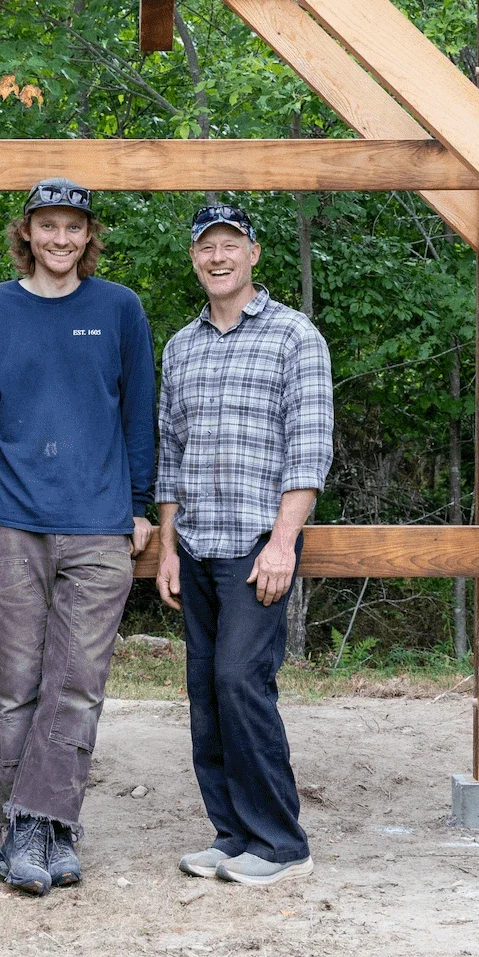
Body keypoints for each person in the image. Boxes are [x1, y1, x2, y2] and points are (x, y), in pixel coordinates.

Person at [0, 178, 157, 896]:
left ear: (88, 235)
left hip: (99, 523)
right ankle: (22, 830)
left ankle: (50, 826)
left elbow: (139, 411)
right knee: (16, 687)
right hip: (10, 519)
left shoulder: (119, 308)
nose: (60, 238)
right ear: (28, 232)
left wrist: (139, 504)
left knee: (77, 684)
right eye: (47, 225)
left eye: (72, 227)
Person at [155, 203, 333, 887]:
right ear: (195, 256)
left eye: (231, 244)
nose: (218, 256)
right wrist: (167, 546)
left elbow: (309, 446)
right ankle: (232, 834)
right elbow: (170, 453)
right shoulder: (181, 346)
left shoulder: (294, 336)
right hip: (195, 544)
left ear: (254, 252)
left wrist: (284, 541)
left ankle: (281, 842)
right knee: (205, 689)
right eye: (207, 246)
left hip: (259, 546)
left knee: (240, 680)